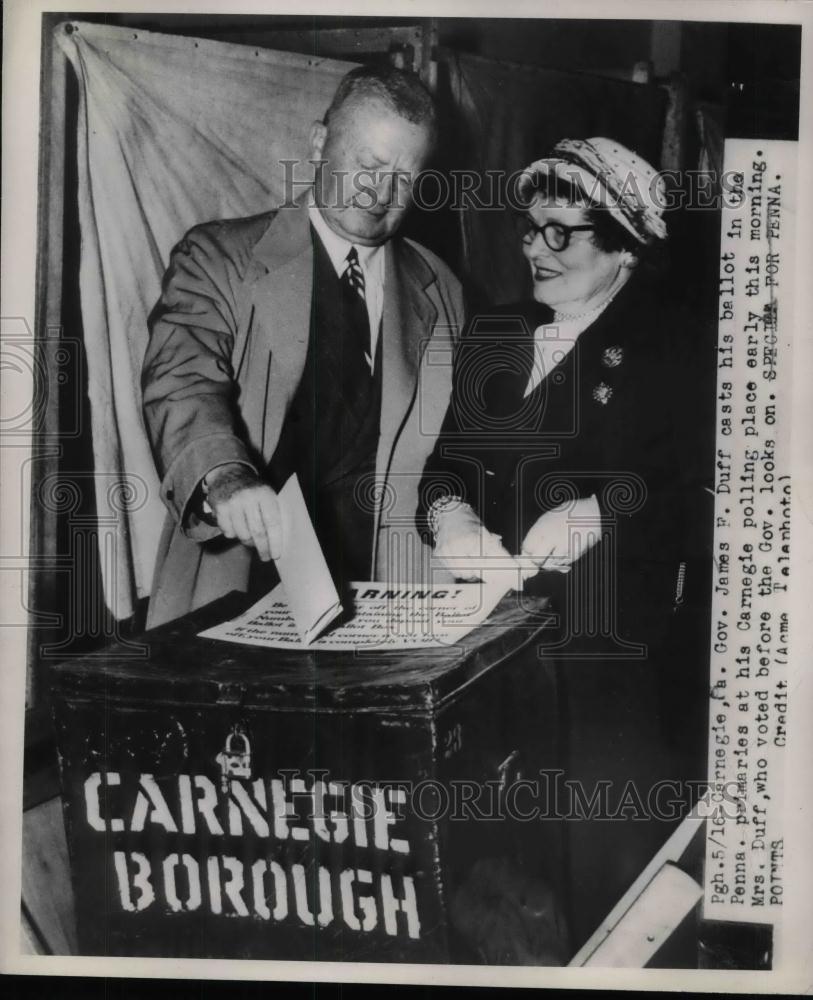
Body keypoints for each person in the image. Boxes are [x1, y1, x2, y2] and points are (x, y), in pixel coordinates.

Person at [419, 137, 712, 948]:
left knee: (603, 887)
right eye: (528, 227)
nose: (533, 248)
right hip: (489, 668)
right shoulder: (496, 332)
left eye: (562, 231)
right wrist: (449, 516)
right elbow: (447, 465)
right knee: (495, 890)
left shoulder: (678, 350)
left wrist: (603, 509)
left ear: (622, 251)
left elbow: (695, 494)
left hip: (608, 681)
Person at [141, 66, 464, 629]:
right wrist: (224, 476)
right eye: (369, 165)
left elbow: (465, 443)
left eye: (406, 179)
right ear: (318, 143)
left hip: (386, 597)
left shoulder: (441, 287)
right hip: (237, 589)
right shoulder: (217, 258)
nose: (382, 194)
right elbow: (182, 377)